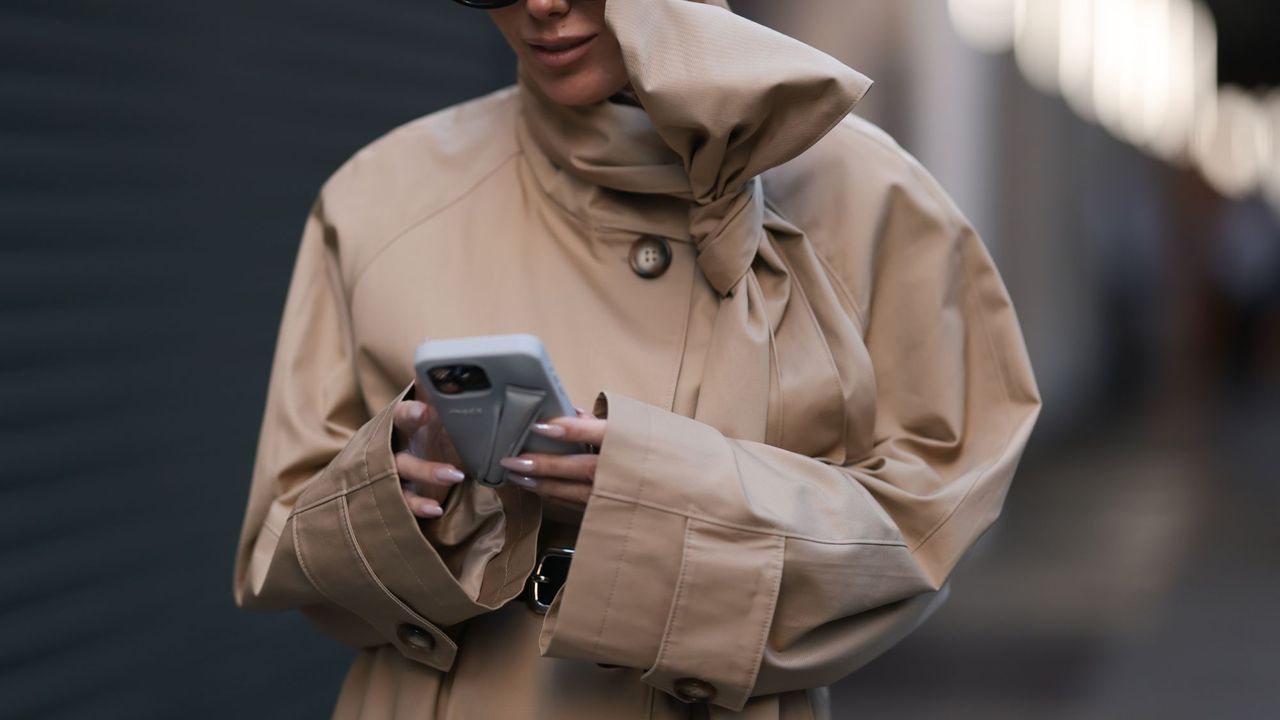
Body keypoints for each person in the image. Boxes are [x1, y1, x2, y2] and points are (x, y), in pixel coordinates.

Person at [233, 0, 1042, 718]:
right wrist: (393, 497)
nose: (543, 8)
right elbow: (275, 540)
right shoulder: (379, 198)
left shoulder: (864, 193)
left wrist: (656, 499)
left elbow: (933, 513)